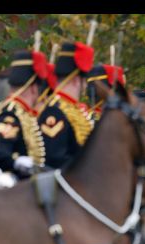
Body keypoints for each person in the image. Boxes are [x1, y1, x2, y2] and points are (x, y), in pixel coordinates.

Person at [0, 49, 49, 180]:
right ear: (34, 88)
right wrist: (15, 161)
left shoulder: (23, 113)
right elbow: (1, 151)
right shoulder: (10, 113)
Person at [37, 41, 95, 169]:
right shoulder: (54, 111)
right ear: (75, 80)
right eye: (83, 81)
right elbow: (55, 159)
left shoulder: (74, 109)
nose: (85, 86)